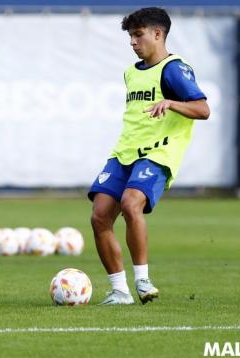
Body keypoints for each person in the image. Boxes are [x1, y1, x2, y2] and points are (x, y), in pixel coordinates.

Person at [88, 7, 210, 305]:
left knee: (132, 204)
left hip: (158, 153)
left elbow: (202, 109)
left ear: (158, 34)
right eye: (131, 35)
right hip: (124, 153)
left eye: (138, 34)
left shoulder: (174, 69)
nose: (132, 42)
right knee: (99, 216)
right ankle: (119, 291)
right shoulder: (131, 72)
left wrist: (171, 103)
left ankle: (142, 280)